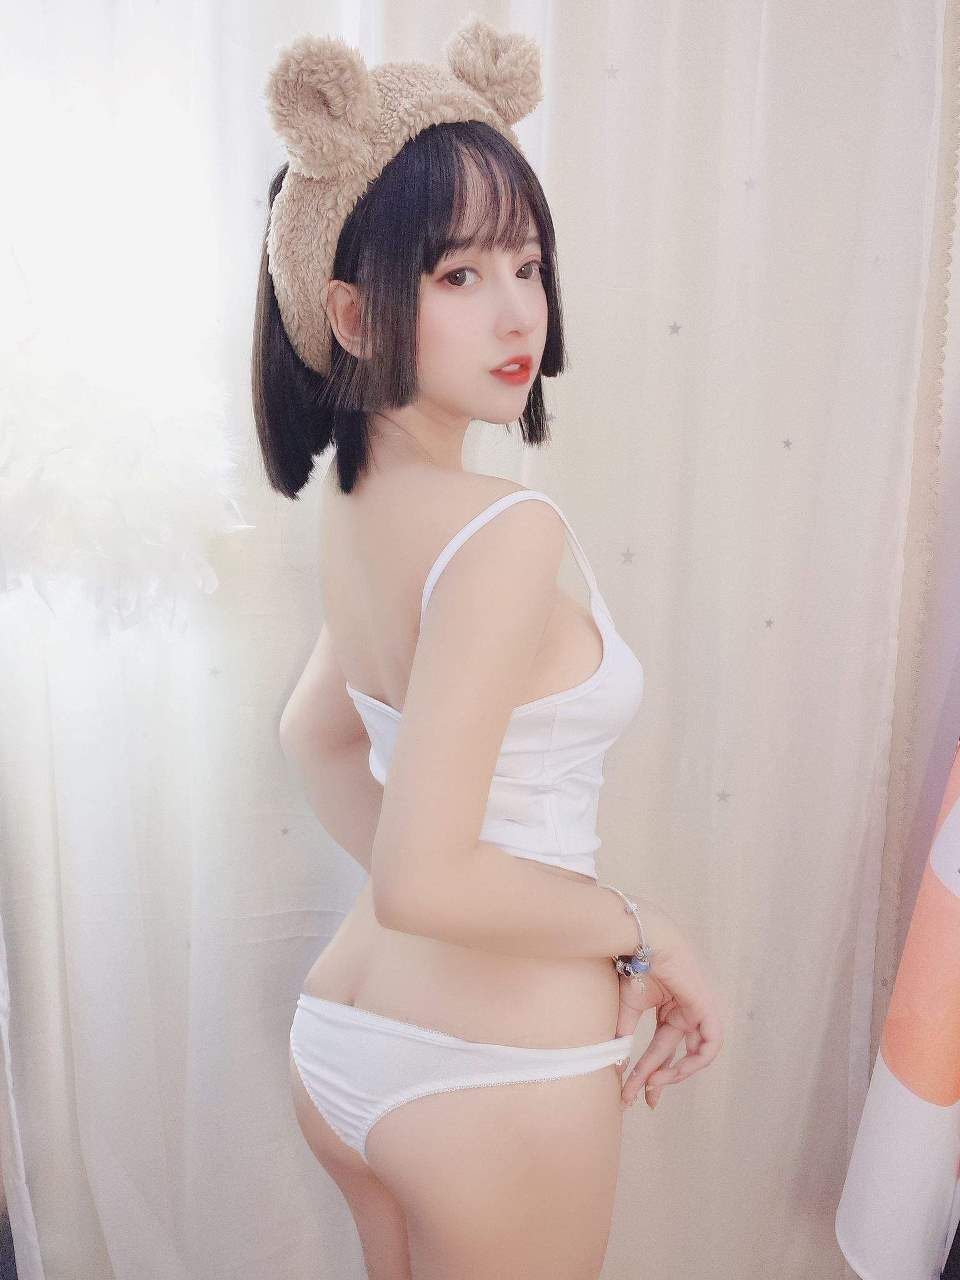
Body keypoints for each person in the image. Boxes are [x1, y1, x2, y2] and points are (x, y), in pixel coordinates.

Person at [252, 15, 724, 1279]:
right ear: (354, 314)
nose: (517, 310)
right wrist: (641, 930)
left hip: (346, 1033)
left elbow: (316, 732)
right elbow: (426, 878)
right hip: (493, 1072)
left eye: (527, 262)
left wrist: (458, 900)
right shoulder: (504, 532)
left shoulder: (356, 504)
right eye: (458, 275)